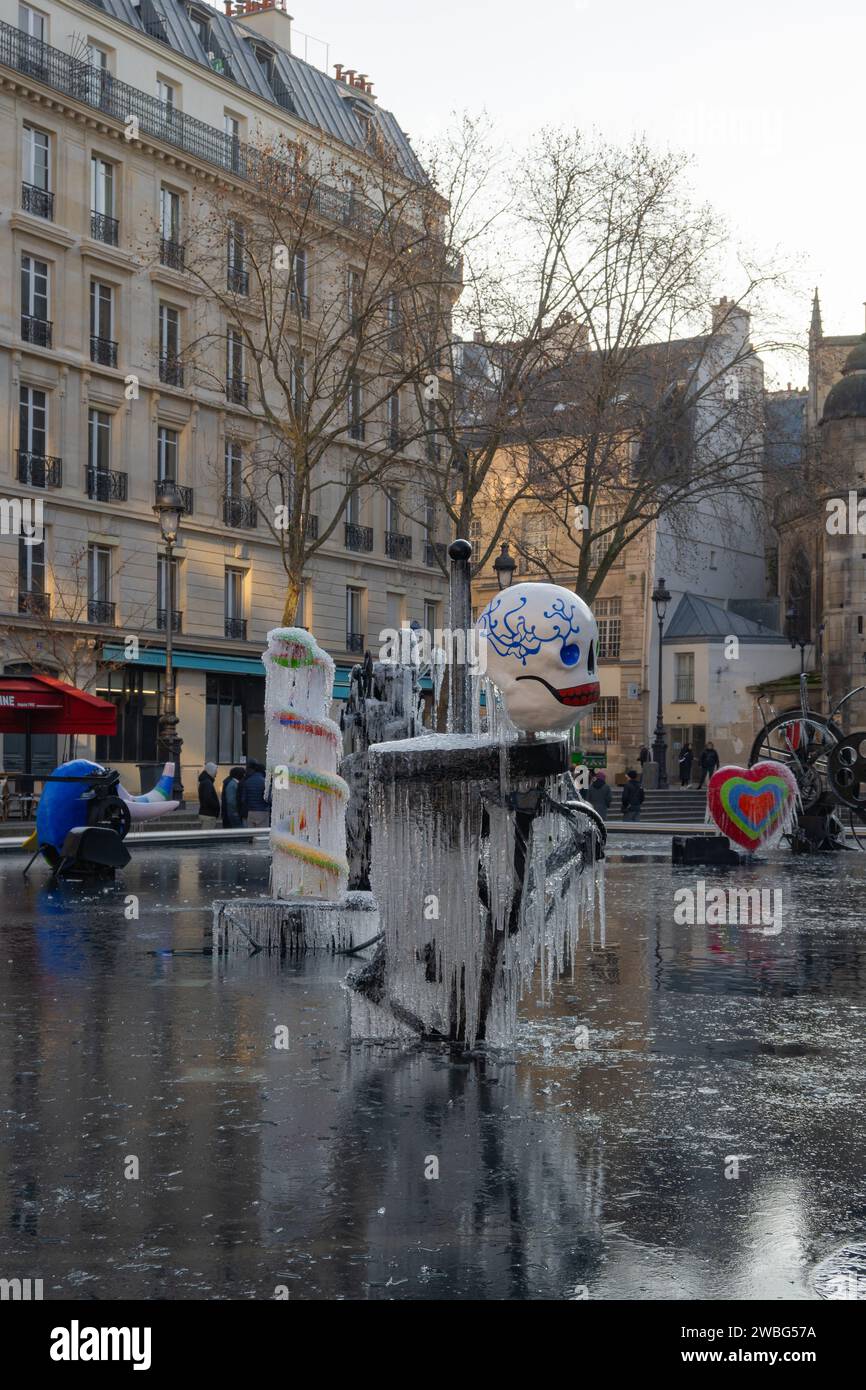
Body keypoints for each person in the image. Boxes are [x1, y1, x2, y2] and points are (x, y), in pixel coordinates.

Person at [243, 759, 271, 828]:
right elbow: (269, 798)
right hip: (263, 812)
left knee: (251, 835)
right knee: (262, 835)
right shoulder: (264, 782)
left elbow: (243, 799)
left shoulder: (247, 781)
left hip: (251, 812)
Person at [197, 761, 220, 829]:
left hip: (206, 813)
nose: (216, 773)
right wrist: (216, 807)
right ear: (211, 771)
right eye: (215, 771)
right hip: (209, 815)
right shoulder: (207, 783)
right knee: (206, 837)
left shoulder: (205, 781)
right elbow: (208, 798)